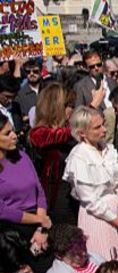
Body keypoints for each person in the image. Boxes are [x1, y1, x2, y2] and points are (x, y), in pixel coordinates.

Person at [28, 83, 78, 226]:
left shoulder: (67, 132)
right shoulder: (39, 133)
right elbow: (49, 136)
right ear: (57, 107)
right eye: (70, 105)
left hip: (73, 196)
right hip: (55, 201)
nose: (73, 110)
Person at [0, 114, 50, 245]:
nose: (14, 136)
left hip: (39, 224)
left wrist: (41, 227)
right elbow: (3, 211)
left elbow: (39, 190)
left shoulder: (22, 156)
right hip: (11, 232)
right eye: (7, 133)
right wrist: (39, 220)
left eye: (13, 130)